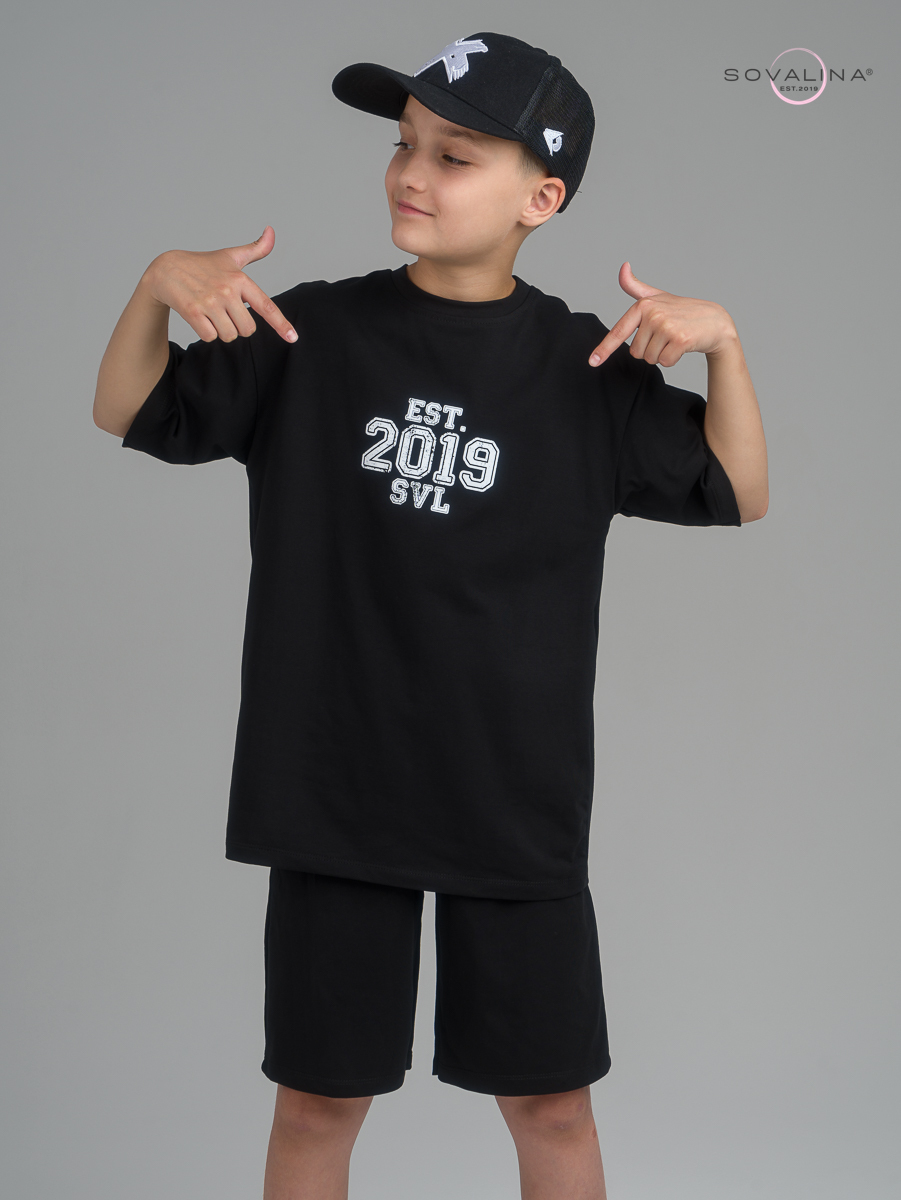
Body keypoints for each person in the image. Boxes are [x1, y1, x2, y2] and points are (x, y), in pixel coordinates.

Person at [93, 30, 768, 1200]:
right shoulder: (309, 336)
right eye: (404, 145)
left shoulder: (586, 368)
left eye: (454, 156)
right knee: (316, 1105)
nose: (411, 173)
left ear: (540, 198)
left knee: (551, 1106)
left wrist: (727, 351)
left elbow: (737, 489)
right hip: (335, 787)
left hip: (511, 794)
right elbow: (130, 408)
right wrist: (158, 283)